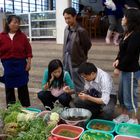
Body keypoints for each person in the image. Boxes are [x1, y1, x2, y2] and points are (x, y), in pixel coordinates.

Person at [113, 9, 140, 124]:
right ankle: (124, 115)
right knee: (122, 95)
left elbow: (130, 55)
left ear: (131, 19)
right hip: (125, 69)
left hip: (131, 70)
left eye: (125, 16)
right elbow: (122, 52)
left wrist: (118, 67)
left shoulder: (136, 35)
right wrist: (117, 60)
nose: (123, 18)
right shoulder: (127, 33)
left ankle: (134, 119)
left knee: (130, 97)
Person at [0, 15, 32, 107]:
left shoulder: (22, 36)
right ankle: (11, 109)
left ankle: (25, 107)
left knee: (23, 86)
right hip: (7, 65)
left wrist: (29, 63)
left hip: (20, 64)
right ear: (8, 23)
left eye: (18, 22)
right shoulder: (1, 36)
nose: (17, 24)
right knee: (9, 87)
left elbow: (28, 51)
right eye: (14, 22)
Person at [63, 7, 92, 92]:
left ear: (74, 17)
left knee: (79, 83)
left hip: (77, 60)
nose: (67, 20)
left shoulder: (81, 31)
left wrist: (81, 55)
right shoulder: (66, 29)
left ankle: (81, 101)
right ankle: (71, 99)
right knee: (68, 80)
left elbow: (87, 45)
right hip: (66, 57)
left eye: (69, 18)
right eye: (65, 18)